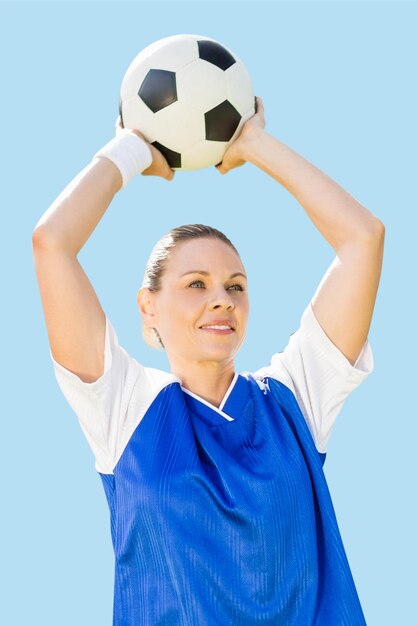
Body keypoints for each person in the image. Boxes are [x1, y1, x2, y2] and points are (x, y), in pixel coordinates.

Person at [32, 96, 385, 625]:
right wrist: (131, 148)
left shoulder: (294, 398)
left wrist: (254, 144)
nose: (222, 299)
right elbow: (51, 243)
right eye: (196, 284)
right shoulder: (124, 409)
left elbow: (364, 239)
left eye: (235, 286)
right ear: (148, 306)